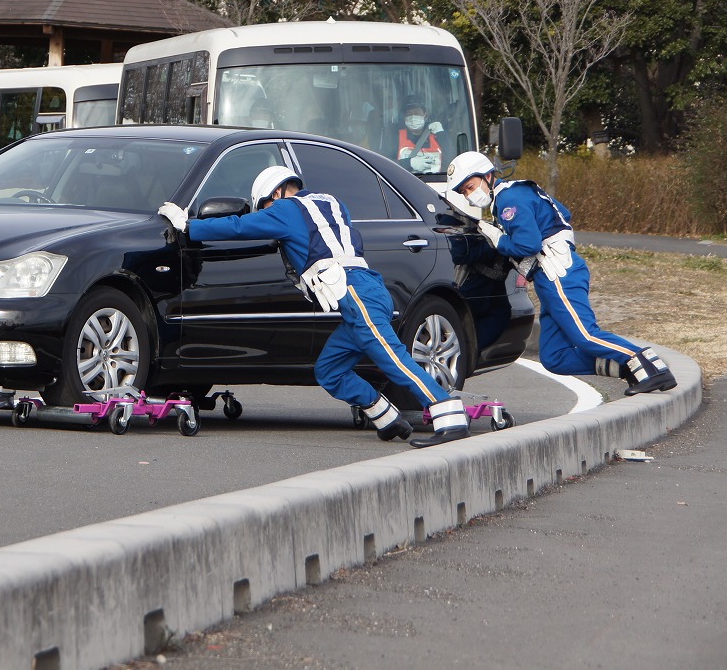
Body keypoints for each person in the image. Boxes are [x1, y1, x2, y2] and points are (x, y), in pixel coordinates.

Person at [158, 167, 471, 447]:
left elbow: (241, 226)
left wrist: (189, 226)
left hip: (355, 292)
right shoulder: (331, 204)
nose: (267, 211)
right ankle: (387, 418)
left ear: (276, 193)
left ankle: (448, 414)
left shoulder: (285, 209)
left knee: (393, 359)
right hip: (361, 291)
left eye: (266, 204)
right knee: (330, 371)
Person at [445, 151, 677, 395]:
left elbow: (528, 245)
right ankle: (629, 370)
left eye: (470, 186)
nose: (470, 195)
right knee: (554, 357)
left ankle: (653, 368)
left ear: (488, 175)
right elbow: (563, 213)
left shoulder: (508, 199)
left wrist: (499, 239)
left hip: (557, 272)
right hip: (551, 275)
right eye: (464, 192)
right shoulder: (517, 193)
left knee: (586, 335)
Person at [395, 95, 444, 174]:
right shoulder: (396, 137)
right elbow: (385, 164)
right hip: (403, 183)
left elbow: (451, 160)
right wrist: (409, 163)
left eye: (417, 112)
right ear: (404, 117)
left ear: (425, 115)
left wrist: (442, 134)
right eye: (409, 114)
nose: (413, 116)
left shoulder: (436, 135)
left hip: (437, 182)